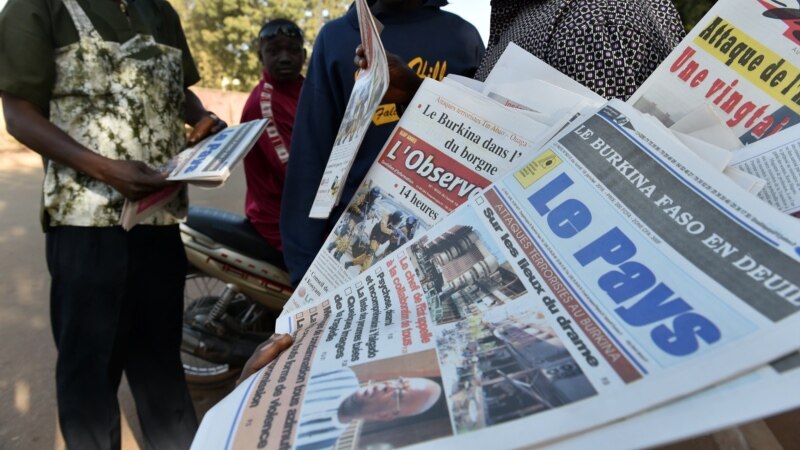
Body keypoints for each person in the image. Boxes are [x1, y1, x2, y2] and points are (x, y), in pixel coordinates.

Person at [0, 0, 225, 448]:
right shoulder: (38, 8)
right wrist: (103, 168)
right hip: (86, 228)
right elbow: (19, 112)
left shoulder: (157, 10)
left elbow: (176, 89)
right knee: (90, 375)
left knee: (161, 366)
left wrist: (201, 118)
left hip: (158, 219)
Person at [281, 0, 485, 286]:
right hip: (357, 241)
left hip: (443, 236)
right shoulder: (336, 38)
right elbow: (311, 155)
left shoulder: (462, 37)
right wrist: (302, 267)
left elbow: (482, 142)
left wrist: (417, 92)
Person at [361, 0, 686, 108]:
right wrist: (417, 92)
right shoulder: (530, 16)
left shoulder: (598, 16)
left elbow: (600, 180)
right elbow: (507, 131)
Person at [242, 18, 306, 251]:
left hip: (305, 211)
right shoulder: (263, 104)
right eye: (274, 51)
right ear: (261, 57)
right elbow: (293, 174)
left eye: (292, 50)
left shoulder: (306, 89)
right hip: (280, 219)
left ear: (304, 55)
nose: (285, 57)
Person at [294, 369, 442, 450]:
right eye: (399, 381)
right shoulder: (339, 373)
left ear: (385, 416)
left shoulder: (323, 444)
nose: (388, 386)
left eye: (398, 394)